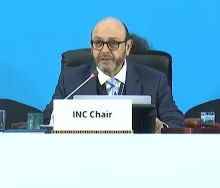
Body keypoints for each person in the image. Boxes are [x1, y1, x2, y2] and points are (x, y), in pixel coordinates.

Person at [43, 17, 185, 131]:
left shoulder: (154, 80)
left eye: (113, 43)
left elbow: (176, 123)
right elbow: (47, 121)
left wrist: (161, 128)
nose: (104, 50)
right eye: (98, 43)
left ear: (127, 47)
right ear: (91, 47)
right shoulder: (71, 80)